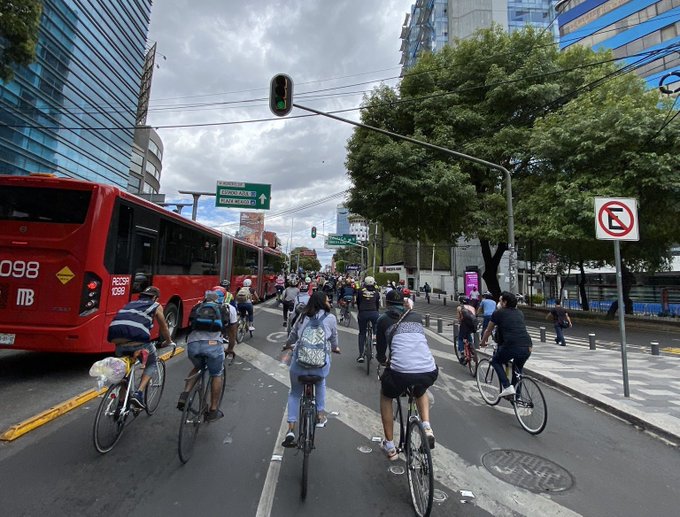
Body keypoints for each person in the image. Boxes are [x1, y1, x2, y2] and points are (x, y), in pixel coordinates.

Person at [376, 290, 438, 459]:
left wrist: (382, 360)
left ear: (386, 303)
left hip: (400, 373)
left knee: (386, 395)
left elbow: (381, 352)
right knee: (421, 389)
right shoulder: (416, 317)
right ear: (404, 302)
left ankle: (389, 445)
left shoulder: (382, 320)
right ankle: (426, 426)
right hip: (429, 369)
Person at [281, 291, 341, 447]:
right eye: (328, 300)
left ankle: (291, 430)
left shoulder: (302, 316)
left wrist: (287, 345)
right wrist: (335, 348)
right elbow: (334, 338)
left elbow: (293, 334)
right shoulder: (331, 318)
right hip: (320, 366)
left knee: (295, 394)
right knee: (320, 382)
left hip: (299, 365)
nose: (329, 303)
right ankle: (320, 415)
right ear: (323, 303)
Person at [107, 286, 173, 409]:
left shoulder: (131, 304)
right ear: (155, 298)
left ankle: (121, 403)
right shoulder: (156, 305)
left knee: (124, 373)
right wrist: (168, 341)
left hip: (117, 341)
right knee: (151, 363)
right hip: (138, 342)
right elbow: (163, 326)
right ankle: (139, 393)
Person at [177, 290, 231, 421]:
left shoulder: (197, 307)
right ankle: (213, 410)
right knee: (216, 374)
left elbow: (190, 324)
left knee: (197, 368)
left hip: (193, 344)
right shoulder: (222, 308)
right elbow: (225, 326)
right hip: (213, 345)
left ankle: (185, 395)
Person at [479, 292, 532, 397]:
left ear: (505, 302)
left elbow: (488, 330)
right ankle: (516, 397)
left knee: (495, 361)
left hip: (511, 345)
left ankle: (507, 387)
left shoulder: (498, 313)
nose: (499, 303)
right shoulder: (520, 313)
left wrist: (483, 341)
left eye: (501, 300)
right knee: (518, 370)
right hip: (528, 346)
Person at [356, 276, 381, 363]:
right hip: (374, 312)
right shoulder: (376, 292)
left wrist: (360, 310)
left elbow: (358, 302)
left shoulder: (360, 291)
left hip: (363, 313)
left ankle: (361, 355)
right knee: (375, 327)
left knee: (362, 333)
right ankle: (374, 338)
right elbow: (377, 303)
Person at [212, 285, 238, 359]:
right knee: (217, 369)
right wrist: (230, 349)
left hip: (194, 343)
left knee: (198, 368)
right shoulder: (229, 308)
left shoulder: (200, 305)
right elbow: (232, 334)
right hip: (212, 343)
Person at [456, 296, 477, 365]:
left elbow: (459, 318)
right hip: (473, 325)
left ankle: (462, 353)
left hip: (464, 325)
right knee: (468, 335)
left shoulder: (459, 308)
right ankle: (472, 348)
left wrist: (459, 322)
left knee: (460, 338)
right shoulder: (472, 308)